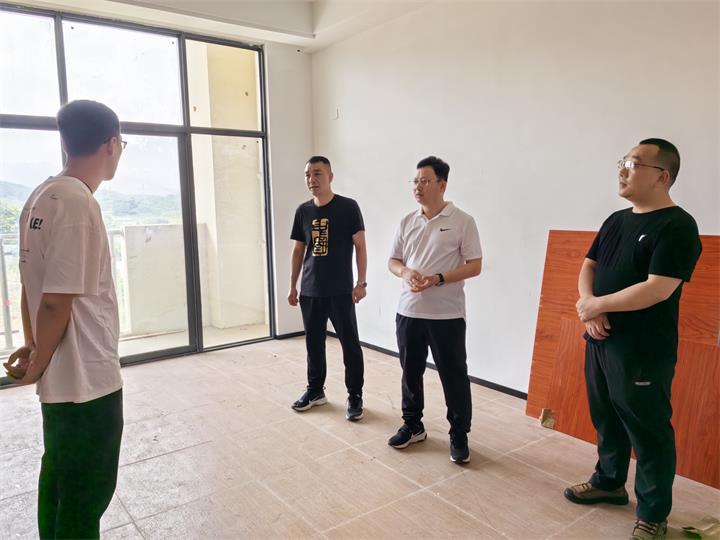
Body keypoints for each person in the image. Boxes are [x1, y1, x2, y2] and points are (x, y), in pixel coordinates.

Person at [564, 139, 702, 540]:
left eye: (634, 163)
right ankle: (609, 482)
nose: (623, 170)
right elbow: (588, 266)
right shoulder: (615, 220)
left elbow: (658, 288)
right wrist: (590, 307)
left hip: (642, 349)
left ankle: (653, 514)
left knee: (648, 430)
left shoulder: (677, 225)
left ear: (662, 176)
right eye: (622, 162)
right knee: (605, 416)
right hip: (599, 337)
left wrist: (598, 305)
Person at [3, 100, 126, 539]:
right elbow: (56, 300)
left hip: (62, 379)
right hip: (87, 380)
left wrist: (35, 345)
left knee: (59, 482)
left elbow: (30, 284)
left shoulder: (40, 196)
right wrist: (38, 362)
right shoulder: (77, 202)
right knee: (85, 493)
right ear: (111, 144)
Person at [387, 156, 482, 463]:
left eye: (425, 181)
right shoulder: (407, 221)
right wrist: (405, 272)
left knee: (454, 377)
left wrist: (439, 278)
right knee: (410, 373)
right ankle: (413, 425)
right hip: (409, 311)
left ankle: (459, 434)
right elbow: (393, 261)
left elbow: (475, 265)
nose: (418, 186)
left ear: (442, 185)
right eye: (415, 181)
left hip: (447, 315)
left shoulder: (462, 221)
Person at [288, 156, 367, 421]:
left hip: (341, 290)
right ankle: (315, 391)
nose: (312, 179)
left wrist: (361, 283)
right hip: (310, 290)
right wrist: (292, 286)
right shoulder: (303, 211)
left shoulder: (348, 207)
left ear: (330, 176)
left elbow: (360, 246)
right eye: (308, 175)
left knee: (350, 345)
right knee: (313, 345)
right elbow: (298, 250)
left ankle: (355, 395)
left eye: (317, 173)